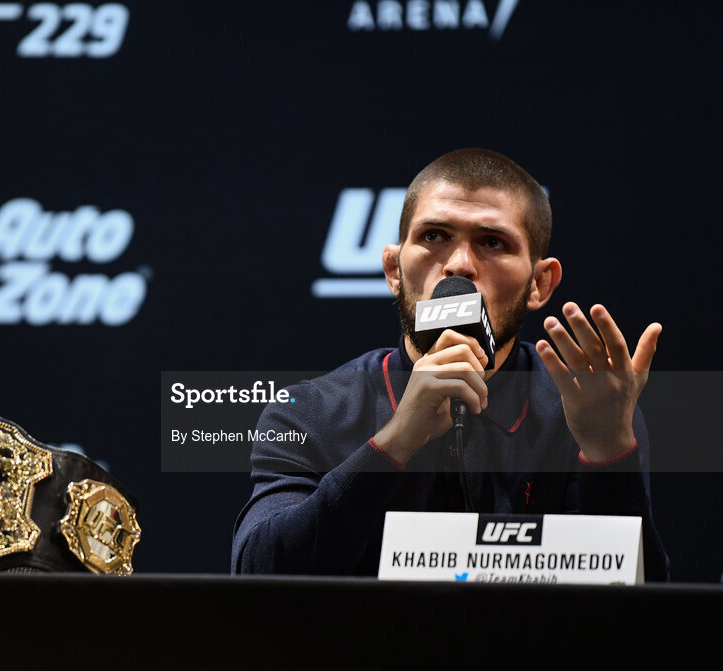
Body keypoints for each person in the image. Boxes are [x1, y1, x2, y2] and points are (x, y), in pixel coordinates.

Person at [230, 148, 670, 580]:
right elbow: (258, 578)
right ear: (393, 271)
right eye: (434, 236)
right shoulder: (310, 411)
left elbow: (636, 621)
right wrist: (394, 444)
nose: (459, 265)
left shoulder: (587, 408)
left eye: (492, 242)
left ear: (539, 283)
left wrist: (609, 453)